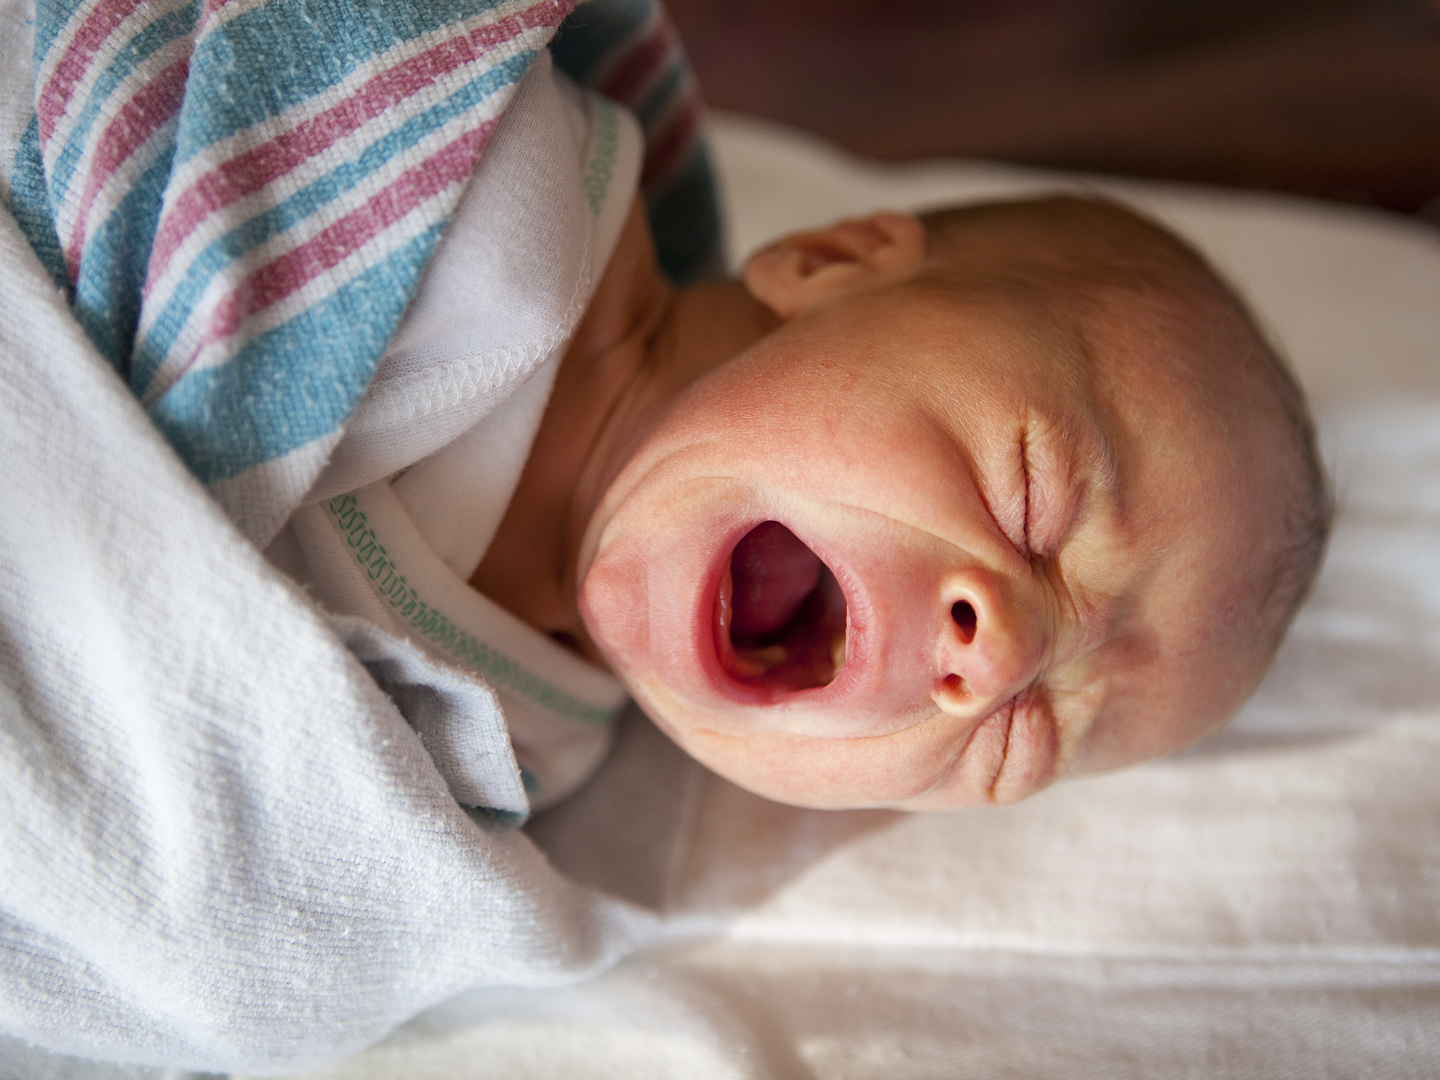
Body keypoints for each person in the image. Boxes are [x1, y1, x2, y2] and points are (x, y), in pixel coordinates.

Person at [287, 68, 1329, 813]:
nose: (999, 658)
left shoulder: (515, 755)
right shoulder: (481, 178)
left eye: (1023, 740)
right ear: (837, 260)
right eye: (1033, 496)